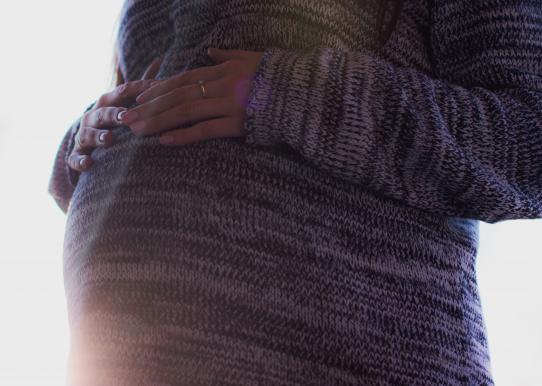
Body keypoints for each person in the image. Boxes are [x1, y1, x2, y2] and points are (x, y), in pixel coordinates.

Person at [48, 0, 542, 384]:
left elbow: (527, 141)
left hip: (353, 353)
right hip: (128, 350)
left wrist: (283, 94)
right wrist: (89, 141)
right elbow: (171, 88)